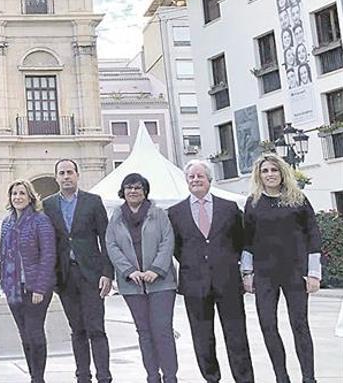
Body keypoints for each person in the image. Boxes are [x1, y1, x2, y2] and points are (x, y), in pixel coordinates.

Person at [168, 160, 253, 382]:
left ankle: (244, 378)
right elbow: (177, 248)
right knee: (202, 337)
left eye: (200, 176)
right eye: (191, 177)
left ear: (209, 180)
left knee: (236, 335)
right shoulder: (175, 213)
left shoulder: (230, 208)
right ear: (186, 182)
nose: (196, 180)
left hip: (227, 281)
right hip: (194, 284)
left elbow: (240, 241)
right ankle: (211, 377)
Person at [242, 153, 321, 383]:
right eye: (265, 171)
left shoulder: (298, 199)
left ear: (282, 172)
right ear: (259, 175)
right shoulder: (253, 203)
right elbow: (247, 239)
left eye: (274, 170)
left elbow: (313, 235)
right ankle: (281, 378)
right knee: (268, 325)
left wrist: (313, 273)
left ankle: (309, 378)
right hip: (265, 274)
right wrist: (247, 273)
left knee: (300, 325)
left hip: (295, 273)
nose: (270, 175)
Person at [42, 159, 113, 383]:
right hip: (65, 277)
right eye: (61, 173)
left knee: (96, 328)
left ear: (77, 175)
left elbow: (105, 238)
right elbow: (46, 241)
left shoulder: (93, 202)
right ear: (56, 178)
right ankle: (83, 376)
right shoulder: (48, 205)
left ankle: (104, 376)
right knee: (77, 329)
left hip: (92, 275)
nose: (66, 177)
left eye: (69, 172)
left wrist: (107, 273)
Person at [105, 173, 178, 383]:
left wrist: (155, 269)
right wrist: (129, 271)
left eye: (138, 187)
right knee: (144, 333)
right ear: (123, 192)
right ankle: (152, 376)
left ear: (145, 191)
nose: (133, 191)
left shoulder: (158, 214)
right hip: (132, 285)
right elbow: (112, 245)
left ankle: (170, 376)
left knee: (163, 331)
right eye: (129, 188)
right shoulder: (116, 217)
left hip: (161, 284)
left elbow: (167, 241)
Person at [0, 179, 55, 383]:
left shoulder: (40, 220)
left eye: (22, 193)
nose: (18, 197)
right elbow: (2, 254)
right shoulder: (7, 222)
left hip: (35, 288)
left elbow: (48, 255)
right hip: (14, 288)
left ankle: (38, 378)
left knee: (35, 332)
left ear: (30, 197)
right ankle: (33, 375)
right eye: (14, 194)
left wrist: (40, 288)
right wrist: (4, 281)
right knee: (25, 335)